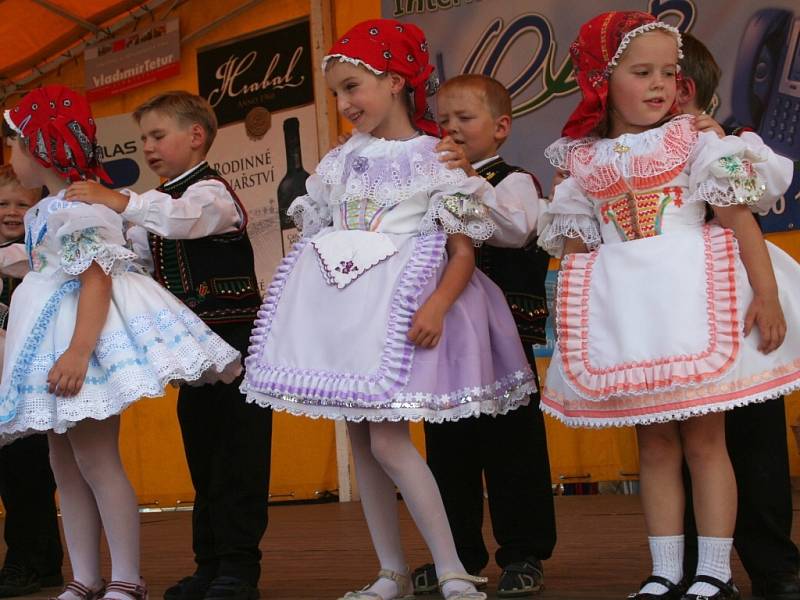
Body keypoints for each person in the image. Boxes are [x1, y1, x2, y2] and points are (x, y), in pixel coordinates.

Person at [239, 18, 535, 600]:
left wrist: (438, 305)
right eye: (338, 92)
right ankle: (391, 570)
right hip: (346, 310)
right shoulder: (340, 161)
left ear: (396, 80)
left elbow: (462, 248)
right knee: (361, 441)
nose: (345, 102)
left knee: (389, 441)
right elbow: (323, 232)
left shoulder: (436, 157)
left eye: (353, 87)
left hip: (395, 310)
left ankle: (450, 567)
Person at [537, 11, 798, 600]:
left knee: (707, 442)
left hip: (691, 300)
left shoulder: (694, 139)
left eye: (668, 72)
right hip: (632, 314)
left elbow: (737, 216)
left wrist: (766, 292)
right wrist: (575, 325)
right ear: (602, 80)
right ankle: (664, 570)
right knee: (653, 445)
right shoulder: (583, 160)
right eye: (642, 71)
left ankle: (715, 572)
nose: (660, 84)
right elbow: (577, 252)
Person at [0, 85, 241, 600]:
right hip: (52, 341)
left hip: (78, 344)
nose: (10, 156)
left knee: (96, 459)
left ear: (41, 147)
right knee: (63, 463)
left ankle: (127, 577)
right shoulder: (46, 208)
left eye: (15, 145)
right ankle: (84, 577)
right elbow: (44, 262)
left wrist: (79, 352)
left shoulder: (80, 204)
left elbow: (96, 277)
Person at [66, 91, 271, 600]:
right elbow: (138, 264)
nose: (149, 148)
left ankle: (239, 570)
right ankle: (209, 565)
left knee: (239, 458)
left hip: (238, 343)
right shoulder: (150, 214)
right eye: (144, 140)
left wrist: (119, 200)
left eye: (158, 136)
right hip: (196, 354)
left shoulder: (212, 194)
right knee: (203, 457)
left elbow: (185, 219)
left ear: (196, 136)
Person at [407, 73, 556, 598]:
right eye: (442, 121)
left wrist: (469, 177)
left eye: (464, 119)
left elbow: (514, 230)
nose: (451, 130)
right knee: (449, 448)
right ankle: (458, 555)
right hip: (450, 339)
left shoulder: (514, 182)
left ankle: (524, 552)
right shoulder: (432, 187)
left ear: (500, 128)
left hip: (507, 338)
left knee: (514, 447)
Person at [676, 33, 800, 600]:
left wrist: (723, 140)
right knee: (680, 439)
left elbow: (773, 177)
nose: (659, 94)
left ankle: (774, 565)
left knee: (754, 436)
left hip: (737, 300)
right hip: (674, 308)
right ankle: (699, 568)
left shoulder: (722, 144)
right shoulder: (620, 151)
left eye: (674, 86)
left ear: (698, 93)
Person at [0, 166, 64, 598]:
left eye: (22, 204)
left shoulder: (37, 254)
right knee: (13, 476)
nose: (11, 211)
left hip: (28, 382)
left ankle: (31, 560)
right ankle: (38, 560)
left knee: (31, 475)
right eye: (3, 203)